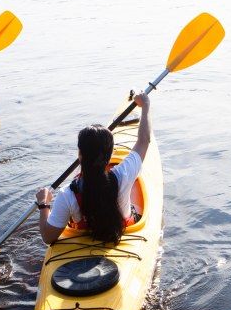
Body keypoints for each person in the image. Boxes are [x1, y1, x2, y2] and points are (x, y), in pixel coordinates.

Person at [36, 92, 152, 245]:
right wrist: (146, 105)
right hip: (123, 230)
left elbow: (48, 237)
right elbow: (144, 140)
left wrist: (44, 204)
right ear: (109, 157)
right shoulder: (124, 174)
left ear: (80, 154)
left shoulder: (66, 194)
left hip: (83, 240)